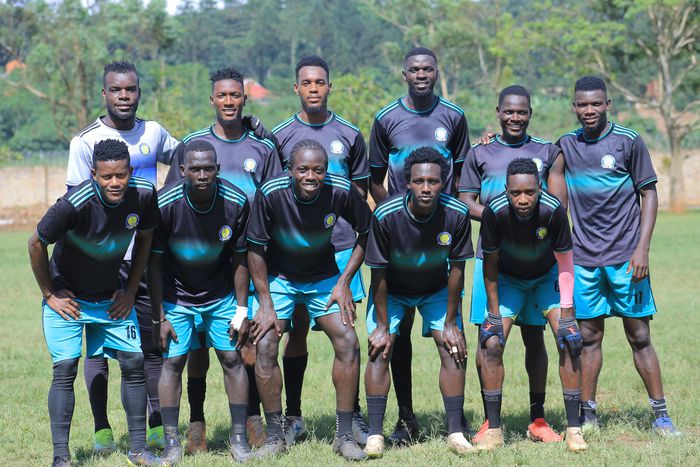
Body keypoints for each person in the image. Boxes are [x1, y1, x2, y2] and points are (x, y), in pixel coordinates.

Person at [164, 66, 282, 451]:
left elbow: (275, 201)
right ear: (212, 99)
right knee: (196, 351)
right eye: (222, 95)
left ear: (244, 98)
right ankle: (196, 424)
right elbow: (173, 205)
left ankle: (251, 422)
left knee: (244, 343)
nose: (229, 102)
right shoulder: (193, 145)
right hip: (195, 269)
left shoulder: (262, 148)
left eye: (235, 95)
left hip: (244, 259)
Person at [66, 60, 178, 453]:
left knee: (150, 344)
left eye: (130, 89)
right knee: (98, 347)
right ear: (104, 94)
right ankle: (102, 429)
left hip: (145, 256)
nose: (124, 96)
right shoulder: (85, 142)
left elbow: (185, 157)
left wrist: (167, 199)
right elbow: (76, 205)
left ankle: (155, 424)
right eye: (116, 90)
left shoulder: (154, 132)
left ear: (139, 92)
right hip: (101, 261)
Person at [28, 139, 162, 467]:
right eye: (106, 177)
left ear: (130, 171)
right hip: (69, 300)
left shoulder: (144, 194)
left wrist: (131, 290)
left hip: (111, 299)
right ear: (93, 174)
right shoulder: (73, 204)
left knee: (134, 362)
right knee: (65, 370)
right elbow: (35, 243)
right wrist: (49, 294)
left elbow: (145, 239)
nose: (114, 183)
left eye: (121, 175)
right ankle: (61, 457)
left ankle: (138, 450)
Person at [557, 76, 678, 435]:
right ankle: (588, 414)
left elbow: (649, 194)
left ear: (607, 104)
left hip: (627, 258)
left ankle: (661, 416)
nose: (589, 110)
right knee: (589, 337)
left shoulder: (628, 141)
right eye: (582, 104)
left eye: (596, 103)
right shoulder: (566, 145)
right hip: (584, 260)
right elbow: (525, 152)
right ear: (574, 107)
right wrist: (487, 141)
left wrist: (643, 248)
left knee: (639, 335)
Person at [368, 46, 470, 443]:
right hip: (400, 234)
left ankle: (455, 427)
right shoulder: (386, 118)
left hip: (438, 234)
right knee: (397, 338)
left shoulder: (454, 116)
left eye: (428, 68)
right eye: (414, 69)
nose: (421, 74)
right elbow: (375, 178)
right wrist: (398, 216)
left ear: (437, 72)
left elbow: (462, 173)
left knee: (449, 338)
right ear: (404, 74)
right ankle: (404, 418)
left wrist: (436, 211)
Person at [247, 139, 371, 460]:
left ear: (327, 171)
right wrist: (265, 302)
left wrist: (344, 281)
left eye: (318, 170)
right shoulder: (270, 193)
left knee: (348, 341)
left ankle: (344, 436)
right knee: (265, 344)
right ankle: (276, 437)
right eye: (303, 169)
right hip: (279, 278)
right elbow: (255, 248)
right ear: (290, 169)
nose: (311, 177)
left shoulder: (341, 190)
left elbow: (367, 231)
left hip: (323, 277)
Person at [457, 85, 567, 443]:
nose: (515, 118)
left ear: (530, 113)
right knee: (489, 339)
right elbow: (465, 199)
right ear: (498, 112)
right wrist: (499, 217)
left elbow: (558, 203)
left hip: (538, 260)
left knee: (535, 338)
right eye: (509, 112)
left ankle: (538, 419)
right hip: (492, 258)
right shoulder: (480, 152)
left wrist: (528, 221)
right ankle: (491, 422)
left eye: (521, 112)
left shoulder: (547, 151)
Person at [270, 55, 369, 444]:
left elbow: (358, 193)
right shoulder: (280, 135)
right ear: (296, 88)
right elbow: (275, 193)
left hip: (340, 249)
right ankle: (292, 416)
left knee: (345, 333)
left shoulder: (350, 134)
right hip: (293, 254)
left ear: (330, 86)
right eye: (307, 83)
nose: (314, 89)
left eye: (320, 82)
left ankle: (353, 418)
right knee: (293, 333)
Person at [364, 147, 475, 458]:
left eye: (433, 182)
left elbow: (457, 271)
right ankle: (375, 435)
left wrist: (451, 323)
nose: (426, 188)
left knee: (453, 347)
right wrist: (382, 326)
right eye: (419, 181)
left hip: (435, 289)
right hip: (392, 290)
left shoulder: (457, 213)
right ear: (407, 183)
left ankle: (455, 432)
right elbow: (378, 274)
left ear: (443, 183)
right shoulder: (385, 215)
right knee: (379, 349)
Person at [150, 140, 252, 464]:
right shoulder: (164, 204)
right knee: (173, 363)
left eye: (209, 168)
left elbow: (240, 259)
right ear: (182, 170)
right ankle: (172, 444)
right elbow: (153, 263)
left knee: (232, 359)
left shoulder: (236, 201)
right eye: (195, 169)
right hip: (176, 297)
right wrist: (159, 316)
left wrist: (241, 309)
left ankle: (239, 441)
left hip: (220, 295)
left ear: (218, 169)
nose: (203, 175)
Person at [476, 158, 587, 452]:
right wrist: (493, 313)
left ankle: (574, 430)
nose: (523, 200)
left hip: (546, 277)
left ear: (539, 188)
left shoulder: (553, 210)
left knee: (569, 340)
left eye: (529, 192)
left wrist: (567, 314)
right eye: (515, 193)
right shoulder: (494, 211)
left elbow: (565, 262)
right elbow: (490, 264)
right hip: (508, 279)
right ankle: (494, 431)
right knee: (492, 342)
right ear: (506, 189)